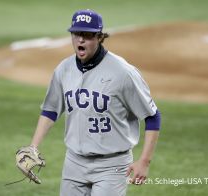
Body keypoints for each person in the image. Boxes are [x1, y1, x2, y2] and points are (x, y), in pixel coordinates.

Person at [27, 9, 161, 196]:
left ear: (99, 37)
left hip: (112, 165)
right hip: (74, 162)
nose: (80, 40)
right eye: (76, 34)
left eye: (87, 35)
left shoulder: (123, 72)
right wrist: (33, 147)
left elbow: (153, 117)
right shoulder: (63, 70)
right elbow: (50, 110)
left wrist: (144, 161)